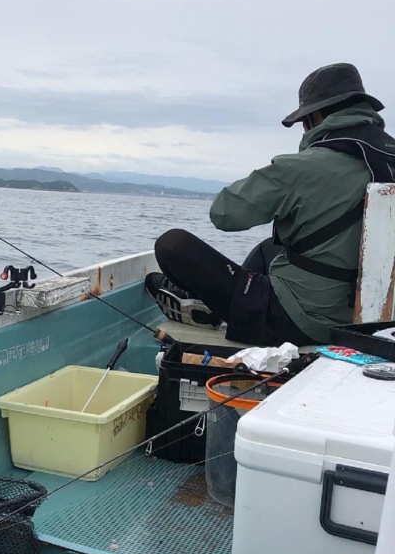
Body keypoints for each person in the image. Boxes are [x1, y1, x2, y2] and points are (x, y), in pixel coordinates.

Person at [145, 62, 395, 346]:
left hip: (303, 322)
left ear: (315, 116)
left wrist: (280, 179)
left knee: (172, 244)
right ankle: (222, 309)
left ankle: (227, 310)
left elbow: (224, 213)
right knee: (269, 248)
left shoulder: (302, 168)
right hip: (380, 323)